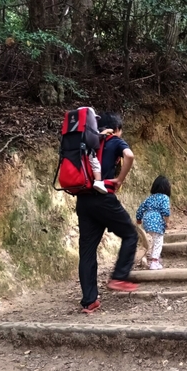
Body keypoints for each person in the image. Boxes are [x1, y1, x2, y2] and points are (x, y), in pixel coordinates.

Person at [76, 112, 139, 313]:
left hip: (83, 200)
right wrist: (120, 179)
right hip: (103, 199)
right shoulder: (114, 140)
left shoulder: (85, 141)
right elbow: (129, 155)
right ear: (116, 128)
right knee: (130, 234)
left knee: (87, 251)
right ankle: (120, 277)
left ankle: (89, 301)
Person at [136, 176, 171, 270]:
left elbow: (140, 208)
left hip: (147, 220)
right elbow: (165, 211)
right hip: (157, 221)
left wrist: (138, 219)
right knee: (159, 240)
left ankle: (155, 258)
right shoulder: (165, 198)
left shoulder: (150, 198)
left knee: (155, 240)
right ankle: (154, 262)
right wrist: (167, 222)